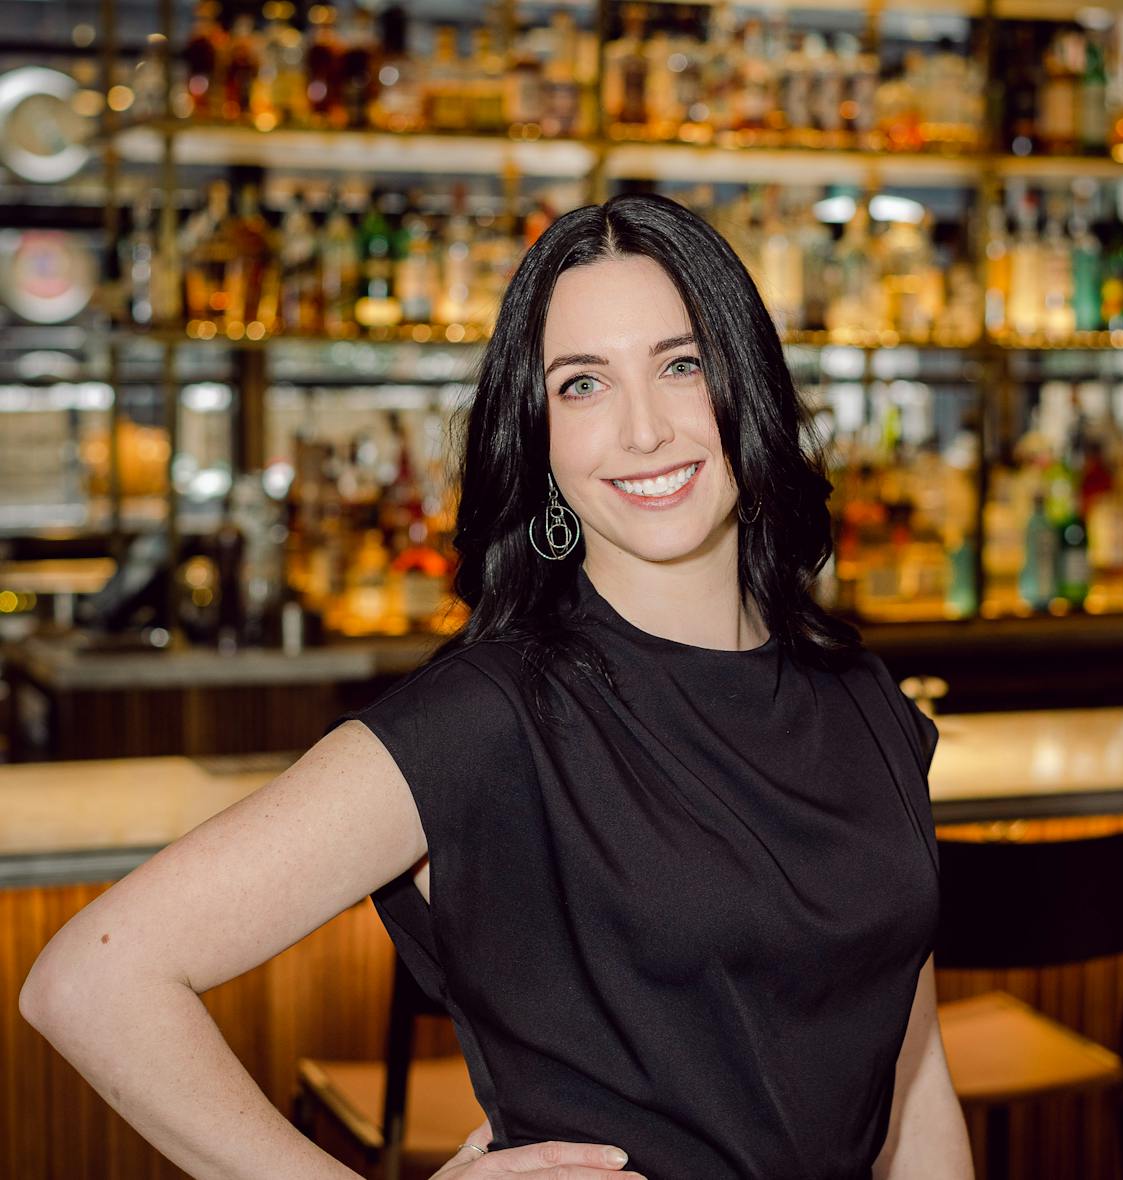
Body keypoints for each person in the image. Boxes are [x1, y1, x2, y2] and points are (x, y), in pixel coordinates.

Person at [20, 192, 973, 1180]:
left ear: (749, 382)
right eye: (582, 386)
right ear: (542, 438)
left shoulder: (868, 703)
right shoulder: (489, 718)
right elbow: (93, 979)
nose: (643, 429)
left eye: (682, 364)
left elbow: (915, 1079)